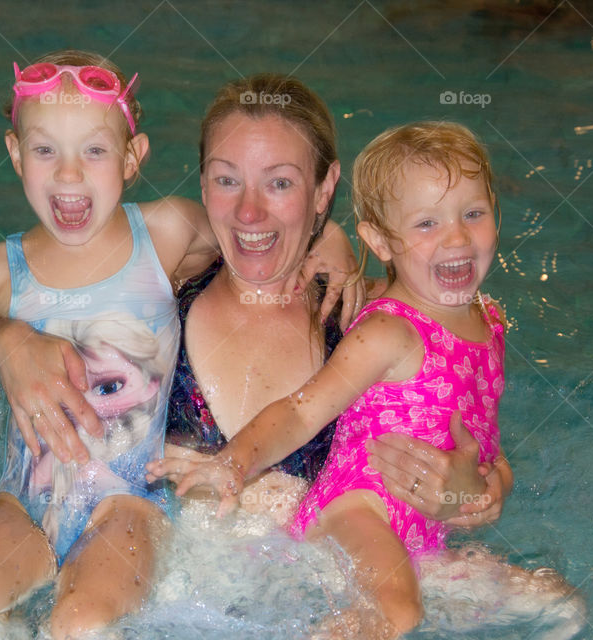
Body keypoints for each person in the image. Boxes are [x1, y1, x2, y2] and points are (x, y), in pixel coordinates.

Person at [147, 122, 514, 636]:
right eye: (427, 223)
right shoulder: (389, 332)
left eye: (472, 214)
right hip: (358, 509)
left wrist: (492, 485)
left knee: (555, 602)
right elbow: (301, 411)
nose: (456, 237)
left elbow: (485, 440)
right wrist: (232, 463)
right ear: (382, 241)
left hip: (420, 523)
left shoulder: (490, 323)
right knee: (397, 612)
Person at [0, 49, 223, 637]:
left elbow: (251, 234)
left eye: (94, 151)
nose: (68, 174)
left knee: (81, 624)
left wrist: (322, 239)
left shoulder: (167, 233)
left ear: (133, 158)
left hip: (130, 504)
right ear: (14, 152)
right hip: (20, 506)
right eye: (45, 149)